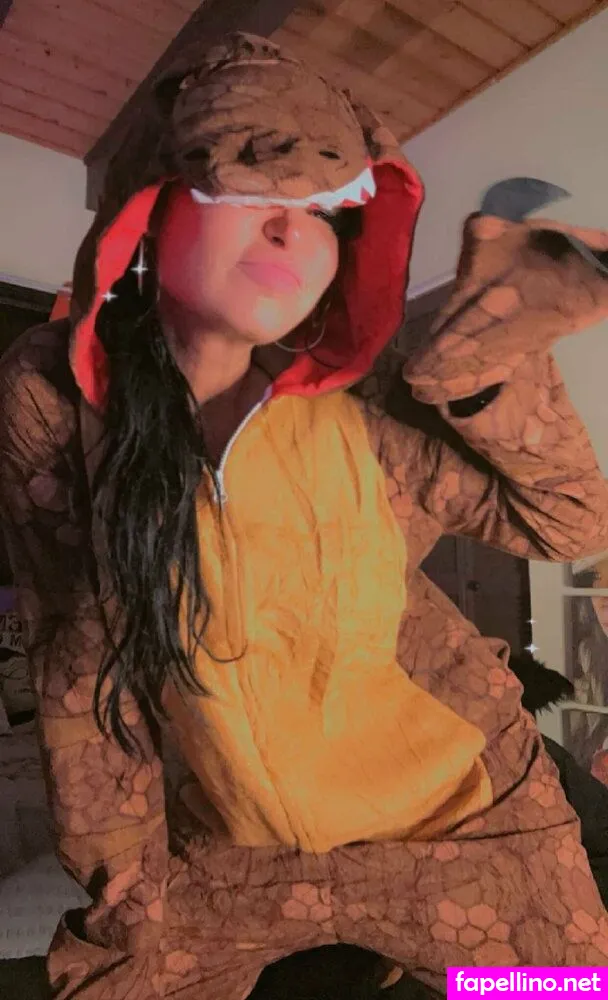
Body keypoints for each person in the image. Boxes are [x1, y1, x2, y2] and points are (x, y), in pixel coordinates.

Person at [1, 31, 608, 1000]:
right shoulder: (53, 397)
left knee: (552, 992)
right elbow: (76, 656)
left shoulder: (367, 407)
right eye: (253, 192)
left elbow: (566, 524)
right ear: (149, 210)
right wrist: (122, 878)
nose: (294, 232)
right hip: (228, 848)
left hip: (460, 825)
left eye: (325, 211)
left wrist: (489, 363)